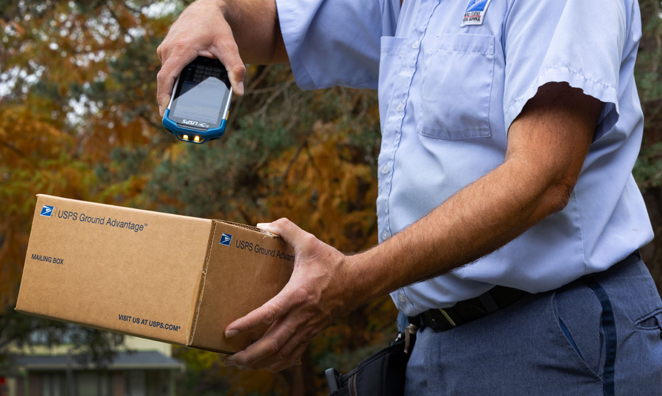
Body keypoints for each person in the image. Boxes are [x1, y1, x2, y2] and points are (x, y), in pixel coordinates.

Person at [156, 0, 662, 393]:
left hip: (556, 339)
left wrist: (351, 281)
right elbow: (277, 24)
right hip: (431, 345)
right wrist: (212, 11)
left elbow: (544, 178)